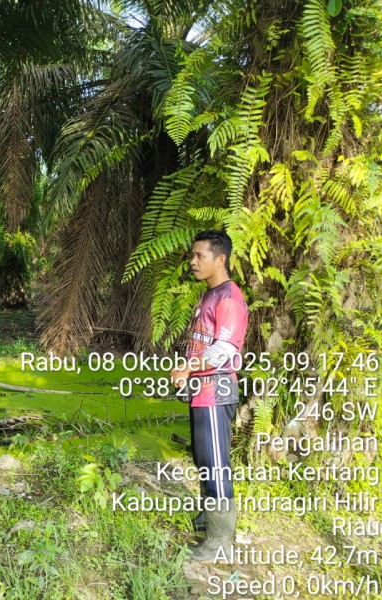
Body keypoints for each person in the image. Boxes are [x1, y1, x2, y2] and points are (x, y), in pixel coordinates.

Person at [171, 230, 248, 562]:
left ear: (220, 259)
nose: (192, 261)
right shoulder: (210, 295)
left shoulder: (228, 298)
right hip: (202, 391)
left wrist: (188, 368)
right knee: (205, 459)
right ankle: (208, 519)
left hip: (216, 391)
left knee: (216, 464)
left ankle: (219, 542)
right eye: (192, 255)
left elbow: (224, 350)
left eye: (199, 255)